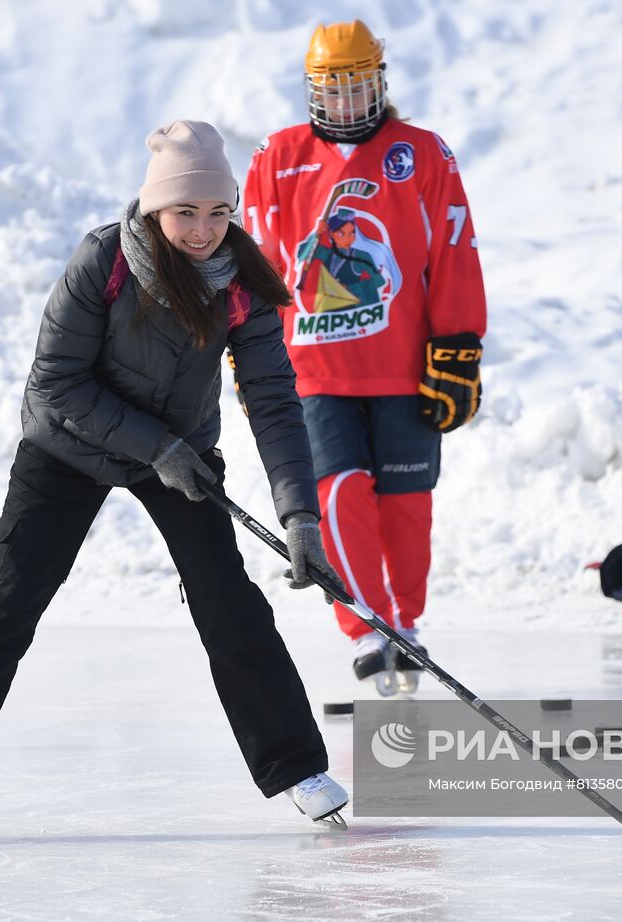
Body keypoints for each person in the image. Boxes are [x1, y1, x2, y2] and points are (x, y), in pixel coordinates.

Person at [0, 119, 350, 843]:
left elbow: (275, 402)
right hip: (68, 446)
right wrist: (155, 446)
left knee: (230, 602)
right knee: (9, 602)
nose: (203, 230)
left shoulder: (242, 283)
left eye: (218, 212)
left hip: (180, 455)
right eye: (186, 211)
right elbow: (56, 382)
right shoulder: (105, 260)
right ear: (155, 207)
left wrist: (300, 518)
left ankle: (298, 767)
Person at [240, 20, 488, 694]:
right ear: (313, 91)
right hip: (312, 372)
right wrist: (248, 345)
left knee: (407, 503)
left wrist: (459, 345)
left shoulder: (422, 153)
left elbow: (453, 251)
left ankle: (405, 622)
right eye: (333, 88)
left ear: (379, 80)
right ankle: (363, 622)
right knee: (338, 496)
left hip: (405, 364)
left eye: (357, 85)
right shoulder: (276, 158)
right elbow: (257, 265)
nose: (347, 101)